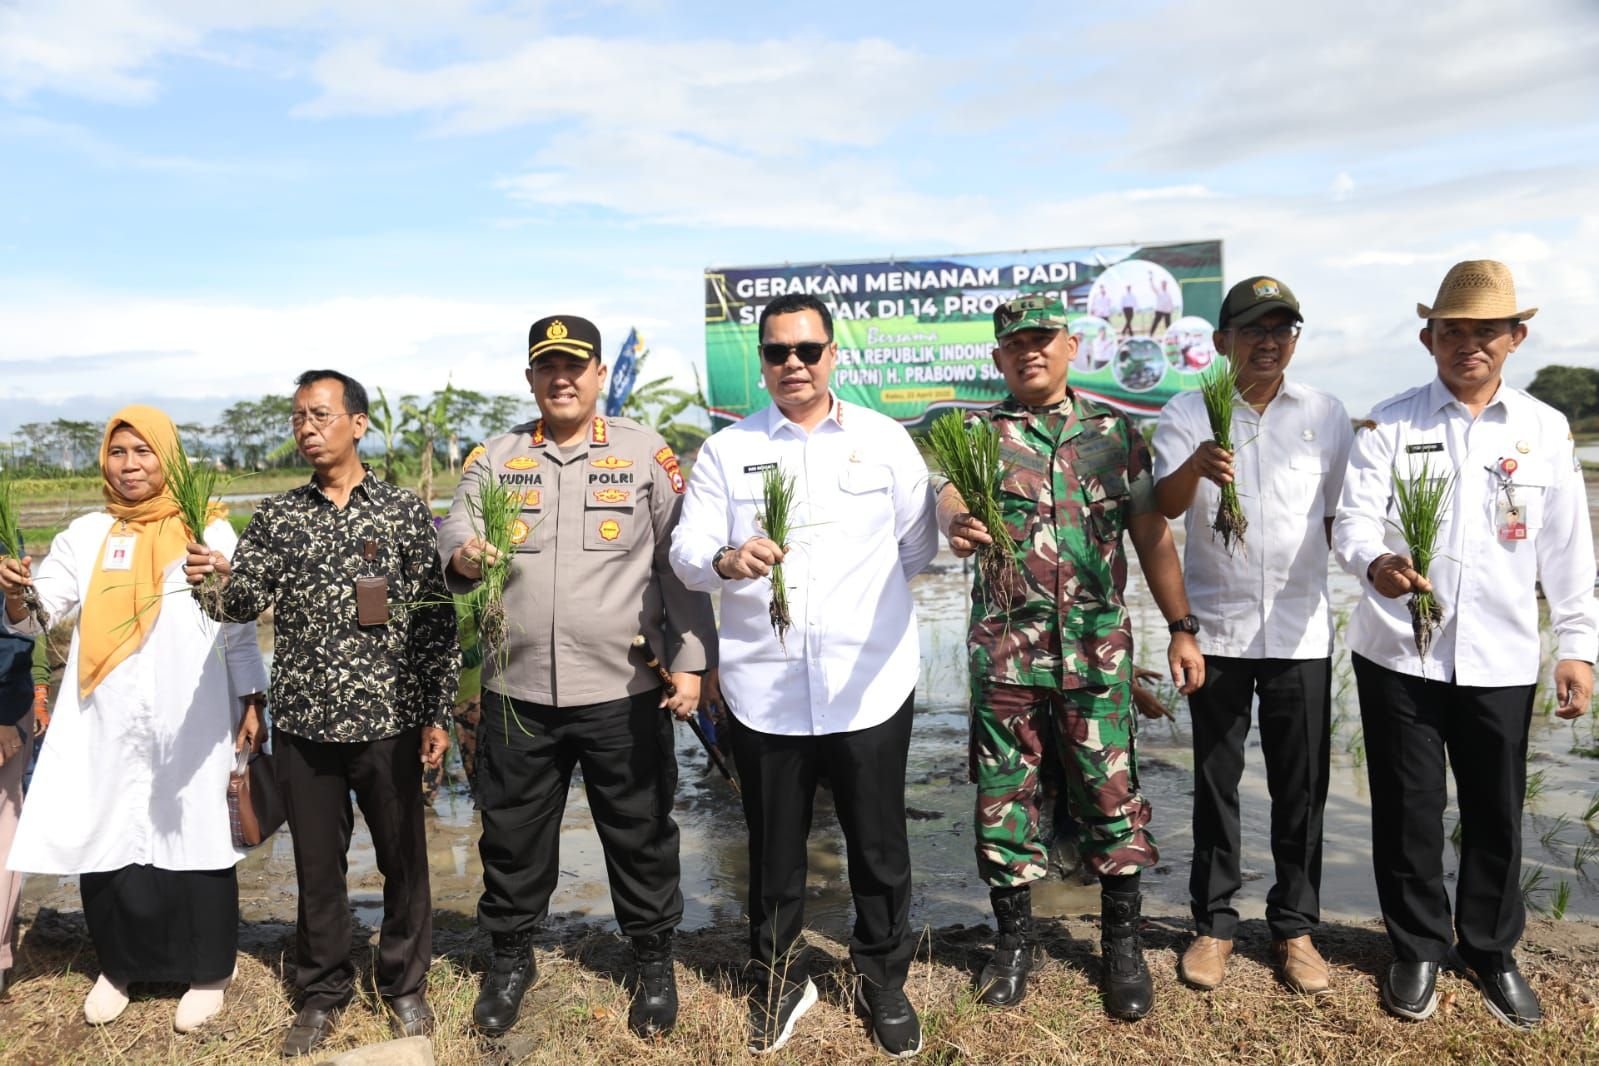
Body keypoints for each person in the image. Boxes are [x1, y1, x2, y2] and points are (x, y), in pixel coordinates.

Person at [670, 292, 938, 1056]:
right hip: (766, 687)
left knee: (879, 845)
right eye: (776, 352)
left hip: (871, 682)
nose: (792, 364)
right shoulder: (727, 450)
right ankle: (782, 977)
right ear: (760, 361)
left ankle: (882, 977)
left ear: (831, 354)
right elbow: (687, 554)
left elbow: (914, 550)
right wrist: (727, 560)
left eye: (806, 350)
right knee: (772, 849)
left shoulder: (885, 441)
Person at [1333, 260, 1597, 1028]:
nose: (1469, 344)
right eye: (1454, 330)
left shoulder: (1543, 430)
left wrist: (1576, 646)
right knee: (1408, 808)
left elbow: (1567, 551)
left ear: (1516, 337)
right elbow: (1353, 522)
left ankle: (1489, 949)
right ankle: (1416, 946)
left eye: (1486, 330)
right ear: (1428, 337)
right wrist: (1374, 563)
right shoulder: (1389, 423)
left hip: (1502, 654)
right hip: (1397, 654)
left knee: (1495, 810)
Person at [438, 315, 715, 1039]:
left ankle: (652, 960)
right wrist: (466, 554)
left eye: (574, 366)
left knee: (639, 831)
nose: (561, 378)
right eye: (546, 367)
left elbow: (677, 565)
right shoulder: (496, 457)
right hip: (515, 690)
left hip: (621, 688)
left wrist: (691, 664)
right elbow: (455, 528)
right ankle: (509, 961)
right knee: (511, 836)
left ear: (596, 374)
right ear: (530, 378)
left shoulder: (643, 454)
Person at [937, 293, 1203, 1022]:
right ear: (997, 357)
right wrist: (956, 524)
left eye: (1042, 338)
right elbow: (949, 500)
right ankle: (1012, 943)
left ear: (1068, 346)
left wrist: (1181, 626)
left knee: (1110, 793)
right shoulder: (975, 434)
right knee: (1002, 797)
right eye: (1013, 343)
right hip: (1006, 657)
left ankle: (1119, 945)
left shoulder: (1115, 433)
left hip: (1096, 653)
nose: (1029, 351)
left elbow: (1150, 533)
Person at [184, 371, 459, 1057]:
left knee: (405, 862)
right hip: (307, 725)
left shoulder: (400, 513)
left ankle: (403, 986)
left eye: (321, 414)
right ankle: (322, 992)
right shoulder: (278, 517)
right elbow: (240, 605)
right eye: (298, 417)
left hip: (390, 720)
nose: (307, 427)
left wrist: (436, 712)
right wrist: (207, 584)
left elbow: (432, 621)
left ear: (357, 424)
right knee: (317, 867)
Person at [1, 406, 267, 1031]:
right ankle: (119, 967)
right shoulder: (87, 533)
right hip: (106, 714)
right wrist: (17, 590)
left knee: (198, 833)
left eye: (143, 452)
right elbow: (43, 608)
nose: (130, 465)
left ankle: (207, 973)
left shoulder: (210, 531)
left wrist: (252, 700)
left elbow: (240, 627)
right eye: (118, 453)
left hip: (192, 714)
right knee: (110, 828)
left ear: (168, 457)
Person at [1152, 276, 1352, 994]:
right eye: (1253, 330)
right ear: (1221, 342)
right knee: (1216, 785)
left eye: (1282, 330)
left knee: (1301, 789)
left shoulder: (1326, 415)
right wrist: (1195, 464)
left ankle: (1294, 928)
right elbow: (1160, 508)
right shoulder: (1185, 411)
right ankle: (1212, 925)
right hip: (1219, 631)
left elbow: (1340, 522)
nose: (1268, 342)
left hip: (1300, 634)